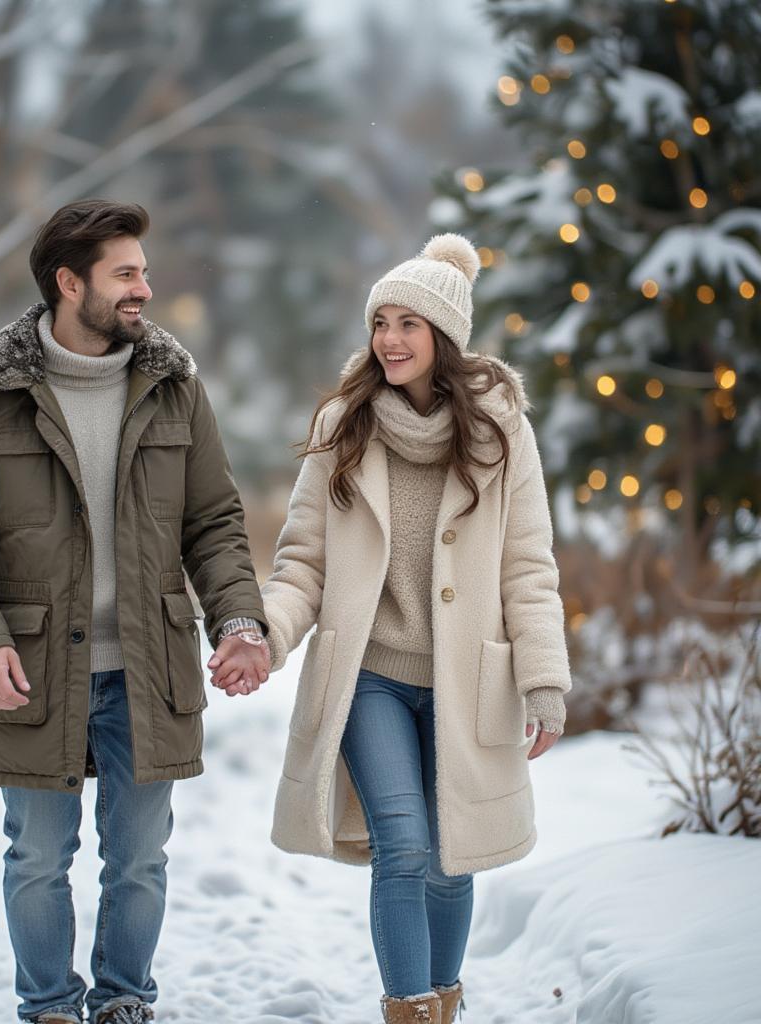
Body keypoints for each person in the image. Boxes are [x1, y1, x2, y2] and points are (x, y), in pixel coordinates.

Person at [0, 199, 270, 1024]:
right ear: (68, 283)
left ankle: (123, 1003)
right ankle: (47, 1007)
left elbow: (214, 522)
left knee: (140, 860)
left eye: (143, 270)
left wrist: (240, 621)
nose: (145, 286)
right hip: (34, 668)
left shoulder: (177, 390)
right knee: (37, 858)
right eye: (126, 273)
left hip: (149, 669)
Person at [210, 233, 571, 1024]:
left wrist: (544, 678)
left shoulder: (501, 433)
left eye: (410, 322)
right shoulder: (345, 427)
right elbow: (301, 563)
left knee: (452, 856)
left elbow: (528, 567)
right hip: (371, 676)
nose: (390, 338)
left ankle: (443, 1003)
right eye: (382, 320)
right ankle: (408, 1010)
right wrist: (263, 637)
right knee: (403, 846)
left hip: (465, 678)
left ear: (444, 337)